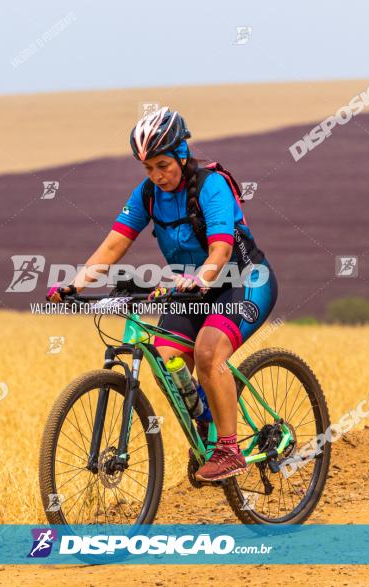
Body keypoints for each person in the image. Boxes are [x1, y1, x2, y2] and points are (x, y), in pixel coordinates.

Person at [47, 107, 278, 481]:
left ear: (181, 154)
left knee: (207, 352)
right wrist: (75, 284)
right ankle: (207, 423)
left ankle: (229, 449)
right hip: (193, 290)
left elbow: (220, 250)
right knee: (167, 359)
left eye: (163, 165)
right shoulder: (148, 194)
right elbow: (112, 247)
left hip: (244, 279)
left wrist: (202, 277)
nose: (156, 175)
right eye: (148, 168)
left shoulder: (211, 186)